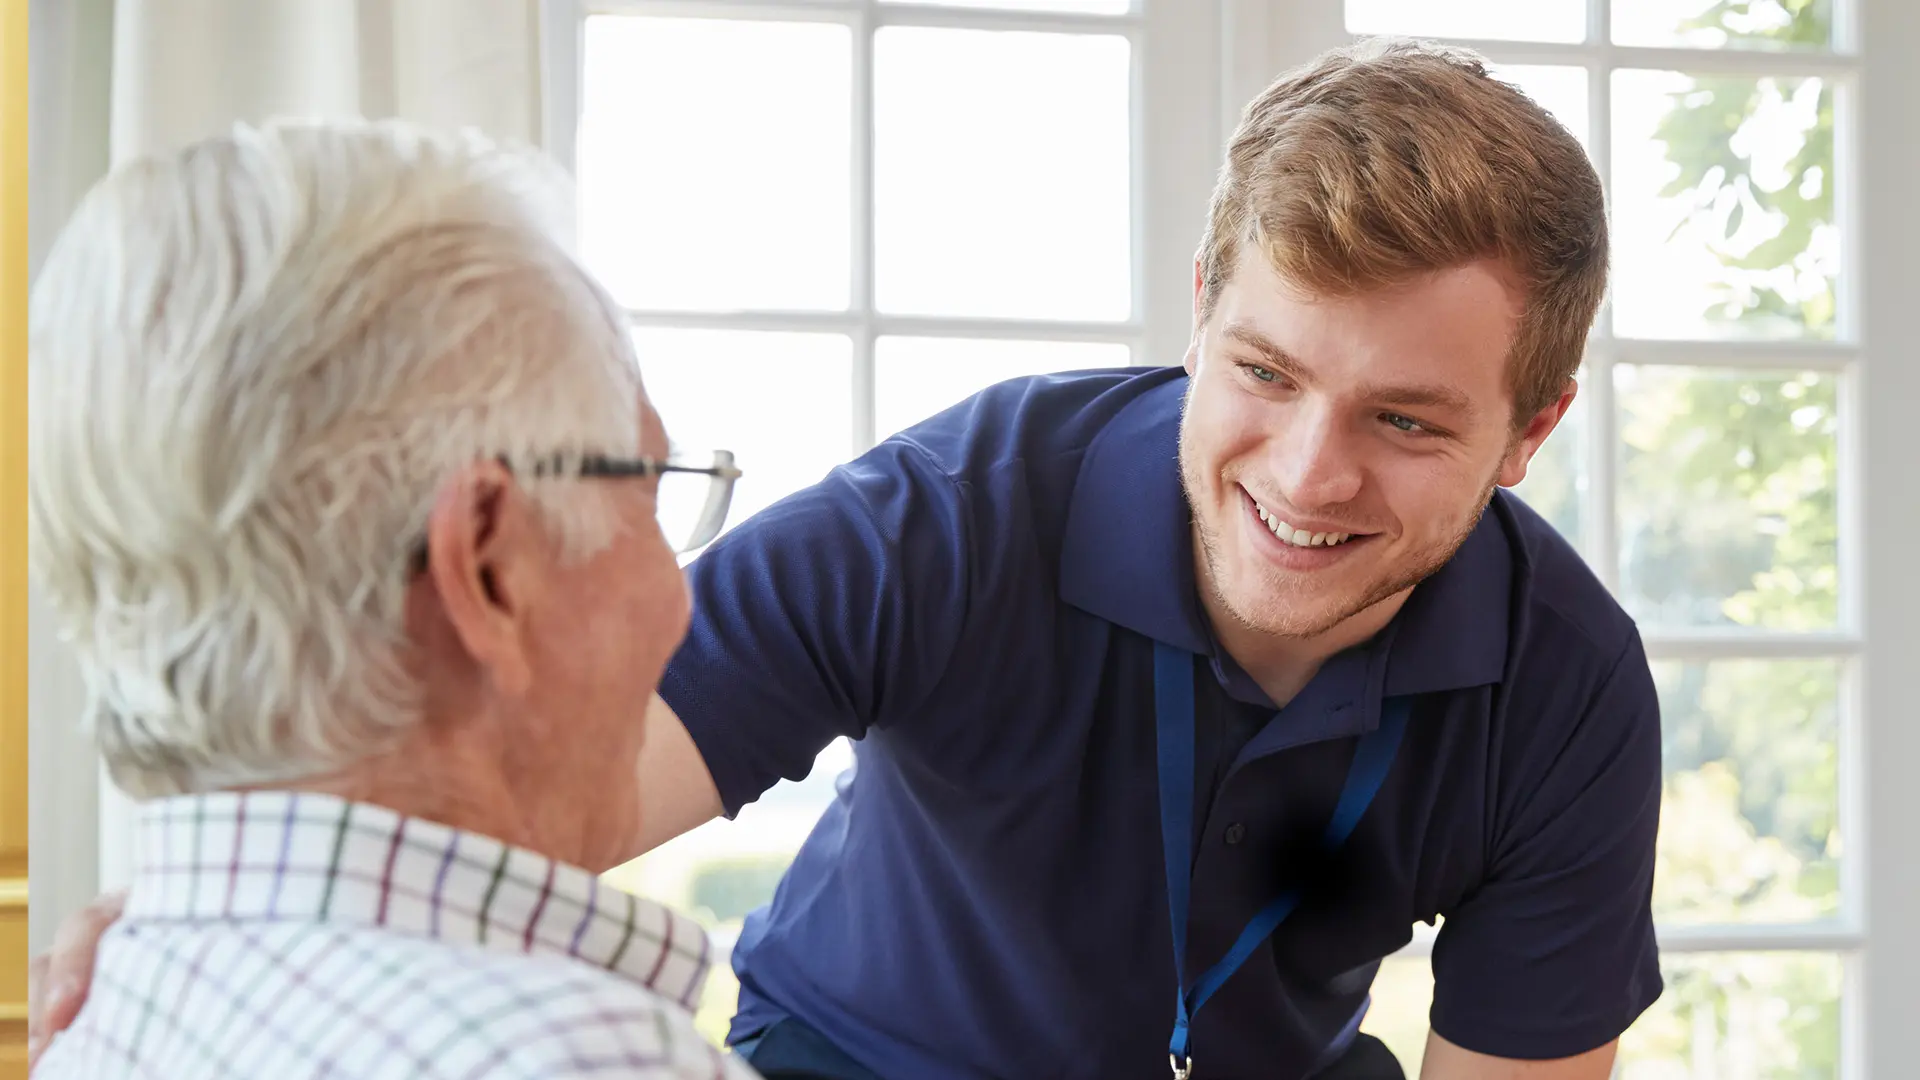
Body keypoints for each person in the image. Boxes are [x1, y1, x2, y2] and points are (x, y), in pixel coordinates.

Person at [33, 38, 1664, 1080]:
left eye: (1406, 422)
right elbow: (513, 773)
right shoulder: (955, 515)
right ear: (1201, 307)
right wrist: (215, 924)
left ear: (1530, 432)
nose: (1306, 476)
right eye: (1263, 373)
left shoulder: (1568, 680)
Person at [23, 117, 758, 1079]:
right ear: (490, 564)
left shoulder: (108, 1003)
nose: (682, 605)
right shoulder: (578, 1058)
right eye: (647, 488)